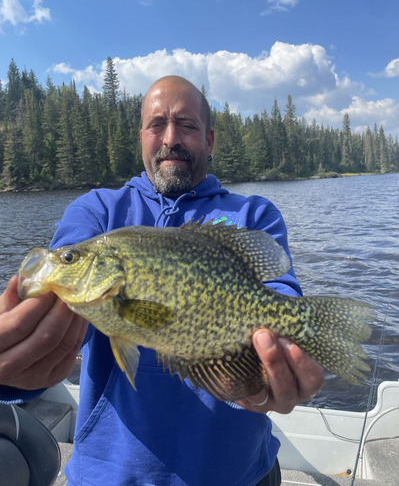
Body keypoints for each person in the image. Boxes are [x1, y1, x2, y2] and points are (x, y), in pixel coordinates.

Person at [0, 76, 324, 486]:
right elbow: (53, 316)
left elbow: (279, 293)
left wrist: (271, 374)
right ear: (141, 137)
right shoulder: (97, 211)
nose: (170, 138)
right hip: (111, 475)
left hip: (238, 475)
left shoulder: (253, 214)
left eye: (186, 125)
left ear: (209, 139)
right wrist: (16, 363)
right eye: (157, 125)